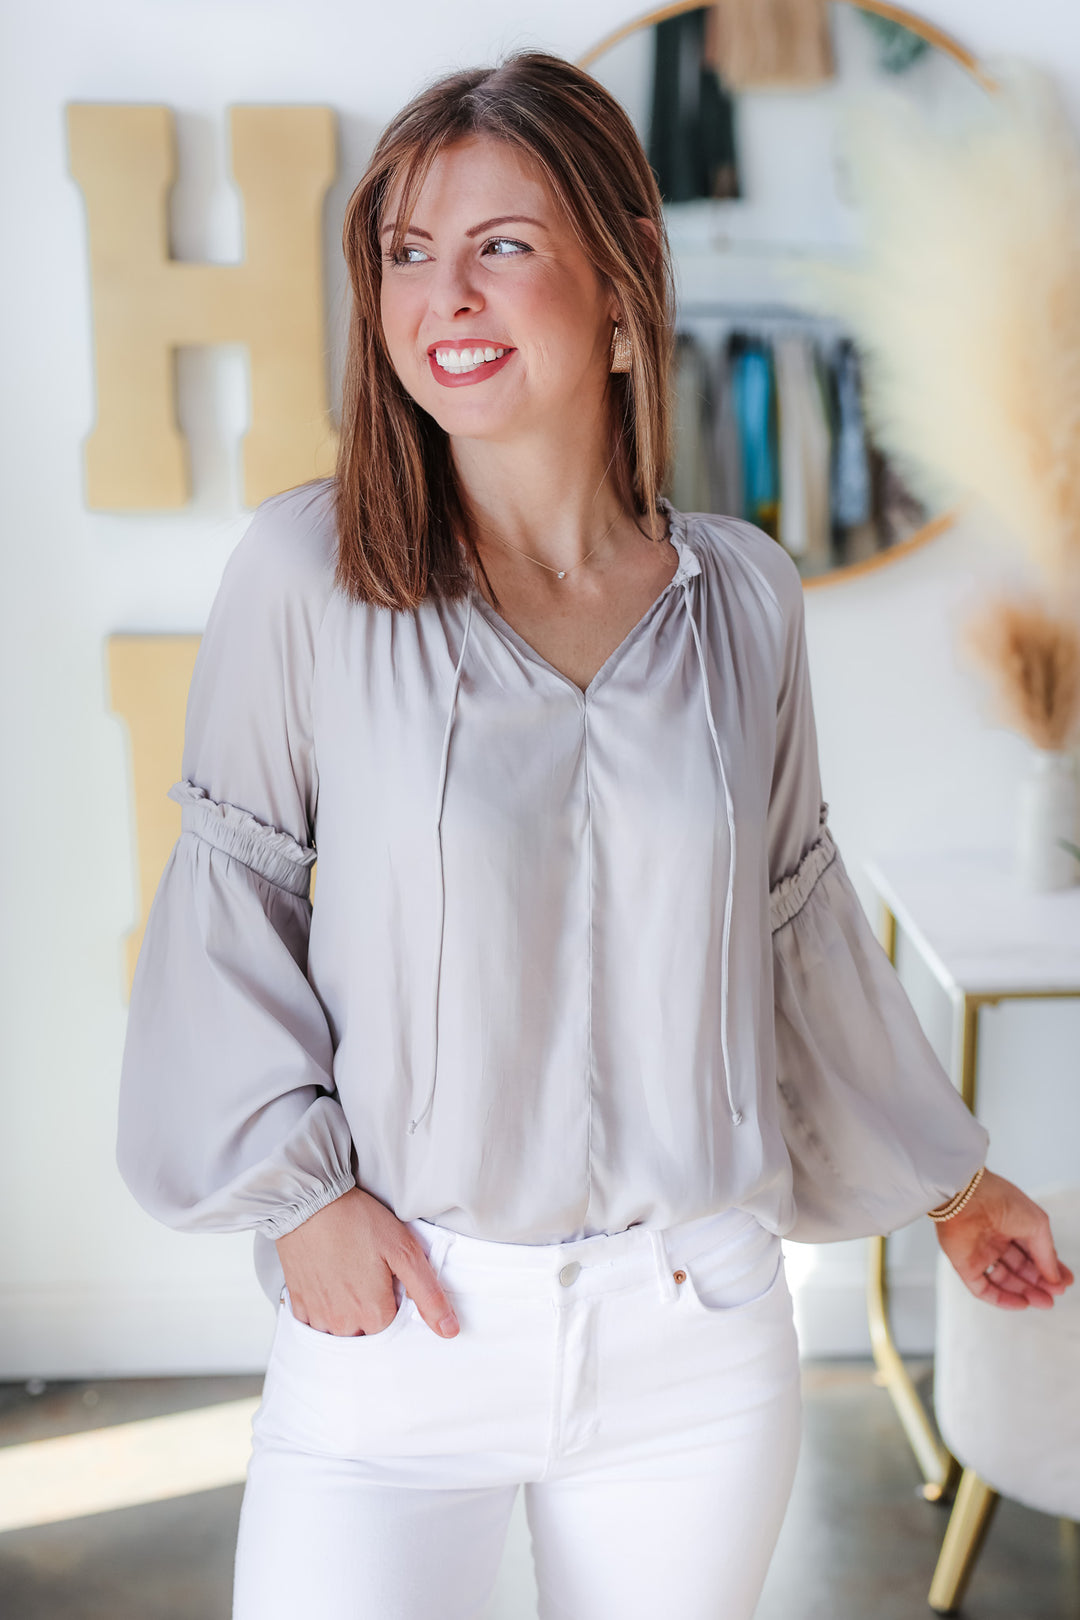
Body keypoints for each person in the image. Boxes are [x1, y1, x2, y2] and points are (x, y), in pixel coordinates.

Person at [116, 50, 1073, 1620]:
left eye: (502, 245)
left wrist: (955, 1188)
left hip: (694, 1336)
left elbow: (792, 924)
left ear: (622, 289)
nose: (446, 298)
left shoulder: (743, 598)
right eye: (408, 254)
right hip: (400, 1326)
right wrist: (301, 1205)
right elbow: (233, 896)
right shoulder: (307, 574)